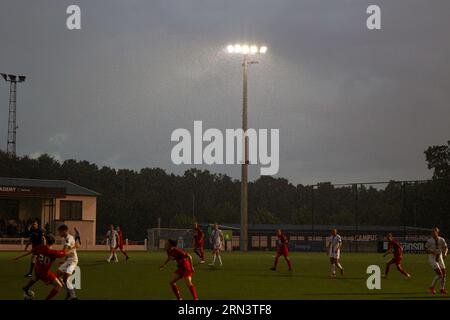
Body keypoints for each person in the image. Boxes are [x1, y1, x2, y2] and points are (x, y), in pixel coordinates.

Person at [13, 234, 70, 300]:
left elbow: (30, 252)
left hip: (37, 269)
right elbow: (64, 253)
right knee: (59, 286)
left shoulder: (40, 247)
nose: (43, 239)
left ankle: (26, 287)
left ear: (46, 241)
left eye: (44, 239)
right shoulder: (53, 252)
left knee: (36, 277)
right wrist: (69, 245)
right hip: (44, 273)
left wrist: (18, 257)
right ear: (53, 242)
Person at [56, 224, 79, 300]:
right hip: (68, 260)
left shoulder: (69, 238)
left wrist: (57, 254)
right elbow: (65, 252)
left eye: (60, 232)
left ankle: (73, 296)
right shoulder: (66, 238)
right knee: (57, 276)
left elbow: (64, 251)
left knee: (66, 277)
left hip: (73, 260)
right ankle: (69, 292)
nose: (59, 234)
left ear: (64, 231)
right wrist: (63, 260)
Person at [425, 227, 448, 295]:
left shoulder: (442, 239)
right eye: (432, 232)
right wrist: (431, 252)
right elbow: (425, 248)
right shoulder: (430, 241)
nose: (433, 233)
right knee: (440, 274)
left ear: (437, 232)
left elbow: (446, 247)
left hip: (440, 257)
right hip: (432, 258)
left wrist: (445, 253)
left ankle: (442, 289)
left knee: (444, 274)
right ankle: (431, 287)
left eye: (434, 232)